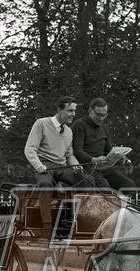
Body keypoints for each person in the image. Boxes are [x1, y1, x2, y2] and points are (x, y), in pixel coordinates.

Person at [24, 96, 96, 237]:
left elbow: (69, 155)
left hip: (61, 167)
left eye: (74, 110)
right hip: (45, 165)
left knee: (89, 181)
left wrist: (76, 166)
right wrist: (38, 165)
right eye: (70, 111)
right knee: (45, 184)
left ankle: (84, 222)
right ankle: (47, 226)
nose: (73, 114)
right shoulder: (41, 123)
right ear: (59, 110)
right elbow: (29, 149)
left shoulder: (68, 132)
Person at [72, 98, 135, 191]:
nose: (101, 118)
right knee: (105, 188)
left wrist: (120, 156)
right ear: (90, 111)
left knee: (129, 185)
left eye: (104, 115)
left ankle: (123, 201)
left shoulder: (105, 128)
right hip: (87, 165)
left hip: (103, 166)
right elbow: (77, 151)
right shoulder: (80, 124)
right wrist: (93, 159)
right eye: (98, 115)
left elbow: (109, 150)